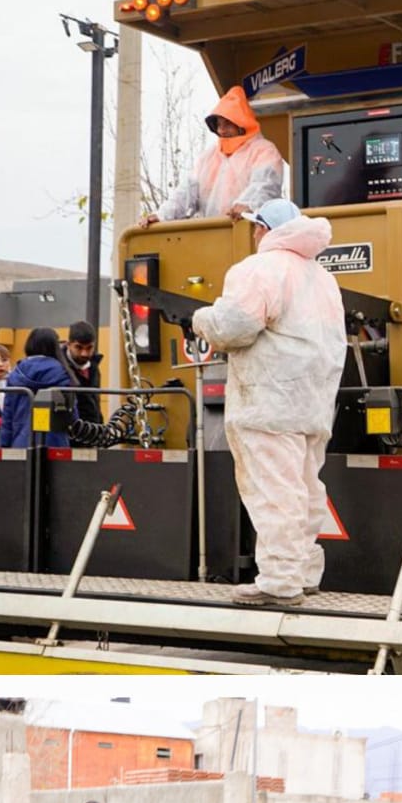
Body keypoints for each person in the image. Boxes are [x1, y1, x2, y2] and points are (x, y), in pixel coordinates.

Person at [191, 198, 346, 606]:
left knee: (275, 490)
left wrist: (200, 318)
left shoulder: (259, 269)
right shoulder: (323, 278)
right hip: (312, 403)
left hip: (269, 401)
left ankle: (279, 582)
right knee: (305, 487)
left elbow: (233, 327)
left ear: (264, 229)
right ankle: (304, 571)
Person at [138, 85, 283, 226]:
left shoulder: (264, 151)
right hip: (212, 237)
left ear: (241, 123)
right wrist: (161, 215)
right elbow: (186, 192)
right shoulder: (208, 157)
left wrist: (247, 205)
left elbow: (265, 186)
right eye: (218, 124)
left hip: (250, 235)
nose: (222, 130)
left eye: (227, 123)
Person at [0, 327, 75, 449]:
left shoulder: (16, 374)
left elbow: (7, 417)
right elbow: (72, 416)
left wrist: (4, 447)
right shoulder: (62, 373)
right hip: (55, 446)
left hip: (21, 444)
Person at [56, 321, 103, 426]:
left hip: (91, 432)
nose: (84, 353)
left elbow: (96, 403)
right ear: (68, 345)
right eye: (79, 347)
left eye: (89, 348)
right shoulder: (58, 368)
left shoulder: (94, 367)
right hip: (69, 434)